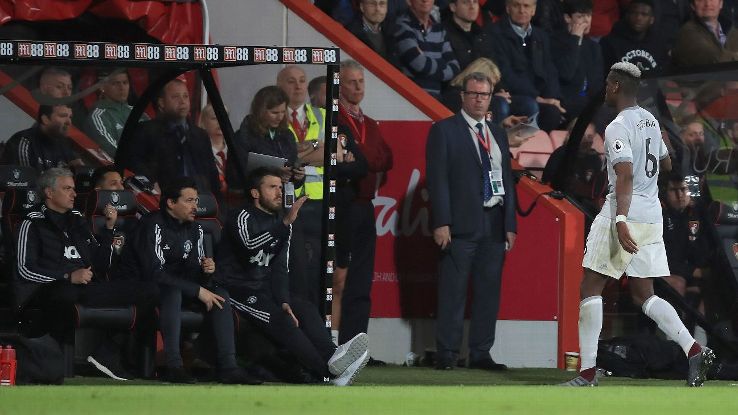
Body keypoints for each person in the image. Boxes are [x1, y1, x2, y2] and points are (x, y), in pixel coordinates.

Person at [563, 62, 714, 387]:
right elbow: (668, 162)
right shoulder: (650, 120)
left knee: (591, 285)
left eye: (607, 84)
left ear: (616, 86)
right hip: (651, 214)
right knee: (644, 294)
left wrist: (619, 220)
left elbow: (626, 174)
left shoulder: (617, 126)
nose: (605, 89)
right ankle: (693, 348)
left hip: (625, 213)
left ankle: (587, 373)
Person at [216, 167, 370, 386]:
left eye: (280, 187)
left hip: (263, 289)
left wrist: (284, 301)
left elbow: (280, 269)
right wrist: (285, 224)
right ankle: (327, 374)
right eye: (272, 187)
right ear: (255, 193)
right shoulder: (241, 216)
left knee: (304, 308)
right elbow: (249, 246)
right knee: (282, 320)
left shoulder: (281, 223)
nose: (279, 192)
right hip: (236, 290)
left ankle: (335, 357)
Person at [13, 168, 157, 380]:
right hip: (47, 291)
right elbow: (24, 270)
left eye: (74, 188)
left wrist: (108, 229)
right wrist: (67, 277)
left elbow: (100, 264)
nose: (73, 194)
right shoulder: (31, 222)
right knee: (66, 294)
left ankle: (106, 352)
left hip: (85, 287)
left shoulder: (77, 219)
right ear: (49, 193)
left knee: (150, 290)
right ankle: (58, 366)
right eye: (67, 188)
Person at [115, 177, 261, 384]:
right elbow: (154, 273)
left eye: (196, 201)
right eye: (189, 201)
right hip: (142, 288)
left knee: (220, 295)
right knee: (171, 292)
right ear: (171, 203)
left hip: (177, 287)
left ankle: (229, 367)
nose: (196, 206)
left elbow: (193, 273)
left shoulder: (197, 230)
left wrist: (206, 271)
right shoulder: (152, 225)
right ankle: (174, 365)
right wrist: (196, 290)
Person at [426, 71, 517, 371]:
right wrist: (441, 222)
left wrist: (510, 224)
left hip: (493, 222)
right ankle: (448, 353)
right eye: (475, 93)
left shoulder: (497, 133)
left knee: (488, 291)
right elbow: (437, 180)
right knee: (453, 291)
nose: (479, 99)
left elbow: (506, 179)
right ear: (463, 96)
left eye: (485, 94)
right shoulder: (444, 130)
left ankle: (480, 353)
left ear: (491, 98)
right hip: (460, 223)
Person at [334, 60, 393, 349]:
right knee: (338, 279)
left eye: (361, 81)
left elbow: (385, 158)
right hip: (341, 205)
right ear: (339, 85)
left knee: (361, 281)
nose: (358, 87)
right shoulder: (336, 120)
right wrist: (365, 162)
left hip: (365, 205)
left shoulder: (368, 123)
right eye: (351, 82)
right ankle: (333, 344)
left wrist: (362, 161)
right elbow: (372, 161)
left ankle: (355, 345)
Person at [276, 66, 328, 307]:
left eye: (302, 81)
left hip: (319, 202)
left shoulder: (322, 115)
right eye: (291, 81)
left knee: (319, 266)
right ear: (279, 86)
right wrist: (314, 149)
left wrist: (298, 152)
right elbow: (277, 154)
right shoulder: (273, 115)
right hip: (287, 203)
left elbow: (333, 153)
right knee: (293, 267)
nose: (298, 86)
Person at [116, 79, 220, 197]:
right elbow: (135, 164)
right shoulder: (145, 131)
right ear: (161, 103)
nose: (182, 101)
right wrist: (151, 184)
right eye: (175, 97)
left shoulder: (200, 135)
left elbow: (212, 176)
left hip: (202, 203)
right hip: (165, 202)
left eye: (185, 96)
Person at [488, 0, 566, 132]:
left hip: (537, 97)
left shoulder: (541, 36)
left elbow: (550, 70)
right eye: (516, 5)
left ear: (533, 10)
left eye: (526, 6)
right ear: (508, 8)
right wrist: (538, 98)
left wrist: (552, 98)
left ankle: (539, 150)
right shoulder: (495, 34)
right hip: (512, 95)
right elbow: (505, 74)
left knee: (553, 112)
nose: (522, 10)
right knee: (530, 106)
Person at [392, 0, 460, 98]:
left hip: (436, 98)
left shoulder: (439, 29)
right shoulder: (403, 25)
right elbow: (419, 64)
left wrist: (426, 62)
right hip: (411, 97)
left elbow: (455, 68)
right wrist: (441, 63)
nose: (425, 0)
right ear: (409, 1)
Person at [551, 0, 604, 122]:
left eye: (589, 15)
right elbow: (566, 74)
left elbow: (597, 81)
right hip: (566, 100)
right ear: (567, 18)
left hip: (588, 101)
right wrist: (575, 39)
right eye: (580, 16)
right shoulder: (554, 42)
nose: (586, 21)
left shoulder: (594, 47)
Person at [1, 105, 83, 169]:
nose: (68, 122)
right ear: (45, 119)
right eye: (62, 116)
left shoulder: (66, 146)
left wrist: (78, 172)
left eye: (70, 117)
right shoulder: (24, 141)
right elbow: (27, 182)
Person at [599, 0, 670, 75]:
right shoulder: (609, 43)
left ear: (652, 20)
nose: (638, 18)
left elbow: (664, 74)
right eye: (634, 13)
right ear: (627, 16)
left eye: (644, 14)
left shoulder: (659, 43)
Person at [83, 70, 136, 158]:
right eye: (115, 83)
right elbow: (114, 152)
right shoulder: (98, 116)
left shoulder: (138, 112)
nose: (122, 87)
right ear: (102, 87)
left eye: (125, 83)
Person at [672, 0, 738, 67]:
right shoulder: (687, 34)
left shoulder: (732, 31)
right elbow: (714, 58)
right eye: (701, 0)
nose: (708, 4)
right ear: (693, 5)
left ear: (721, 3)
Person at [442, 0, 495, 72]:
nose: (472, 6)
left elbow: (492, 68)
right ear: (453, 7)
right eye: (465, 2)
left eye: (475, 2)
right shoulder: (443, 34)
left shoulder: (482, 34)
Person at [198, 104, 230, 195]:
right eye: (214, 118)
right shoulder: (198, 152)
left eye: (224, 117)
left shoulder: (236, 148)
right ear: (203, 123)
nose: (220, 121)